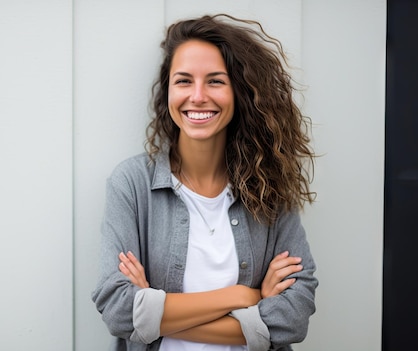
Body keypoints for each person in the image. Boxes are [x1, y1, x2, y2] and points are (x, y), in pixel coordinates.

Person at [91, 13, 318, 351]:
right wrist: (244, 297)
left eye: (215, 81)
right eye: (184, 81)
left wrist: (154, 314)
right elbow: (119, 311)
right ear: (168, 90)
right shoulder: (132, 184)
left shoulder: (269, 185)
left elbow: (293, 317)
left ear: (238, 91)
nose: (197, 96)